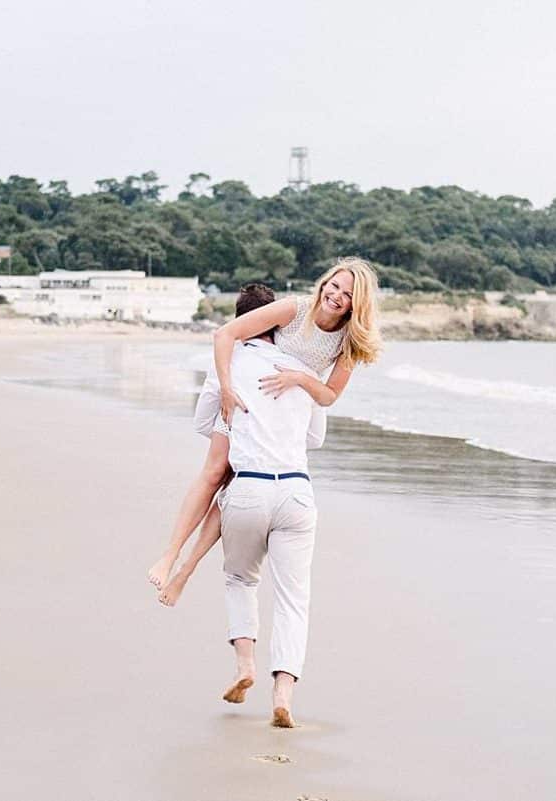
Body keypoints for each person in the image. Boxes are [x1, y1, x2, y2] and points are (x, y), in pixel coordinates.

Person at [148, 257, 383, 605]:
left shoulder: (348, 341)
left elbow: (329, 395)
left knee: (233, 489)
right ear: (324, 282)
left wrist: (302, 378)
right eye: (334, 285)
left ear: (356, 304)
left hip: (280, 418)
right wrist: (226, 389)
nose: (335, 295)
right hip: (244, 399)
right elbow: (225, 334)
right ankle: (169, 556)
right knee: (214, 472)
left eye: (347, 294)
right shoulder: (295, 309)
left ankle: (187, 569)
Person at [213, 324, 325, 727]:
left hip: (249, 488)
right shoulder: (304, 369)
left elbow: (206, 419)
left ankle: (245, 665)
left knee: (241, 580)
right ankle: (283, 693)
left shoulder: (230, 361)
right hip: (295, 490)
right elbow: (315, 438)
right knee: (293, 599)